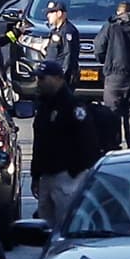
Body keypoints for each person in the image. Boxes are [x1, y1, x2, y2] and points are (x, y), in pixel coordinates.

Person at [30, 60, 102, 227]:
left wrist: (74, 172)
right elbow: (39, 142)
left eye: (42, 78)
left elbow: (88, 141)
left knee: (67, 225)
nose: (38, 83)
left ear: (57, 78)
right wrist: (35, 175)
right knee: (44, 228)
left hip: (67, 176)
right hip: (47, 176)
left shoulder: (72, 106)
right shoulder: (44, 105)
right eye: (38, 79)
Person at [93, 0, 130, 149]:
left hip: (115, 78)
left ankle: (113, 147)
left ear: (119, 13)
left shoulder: (111, 27)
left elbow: (99, 48)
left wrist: (106, 61)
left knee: (112, 116)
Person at [43, 0, 81, 86]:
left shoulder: (68, 31)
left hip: (59, 78)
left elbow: (69, 56)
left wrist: (62, 76)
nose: (48, 15)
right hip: (51, 76)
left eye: (51, 12)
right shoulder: (55, 31)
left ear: (59, 13)